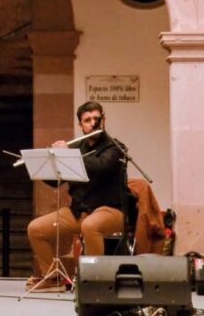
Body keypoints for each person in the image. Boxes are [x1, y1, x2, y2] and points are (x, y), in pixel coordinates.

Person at [26, 100, 127, 292]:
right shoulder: (77, 147)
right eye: (87, 120)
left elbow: (99, 167)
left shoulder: (115, 148)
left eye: (96, 119)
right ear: (81, 125)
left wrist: (68, 155)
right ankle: (53, 277)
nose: (93, 123)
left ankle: (95, 281)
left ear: (103, 120)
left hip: (110, 210)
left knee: (90, 226)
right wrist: (47, 163)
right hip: (78, 211)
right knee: (35, 229)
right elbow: (55, 182)